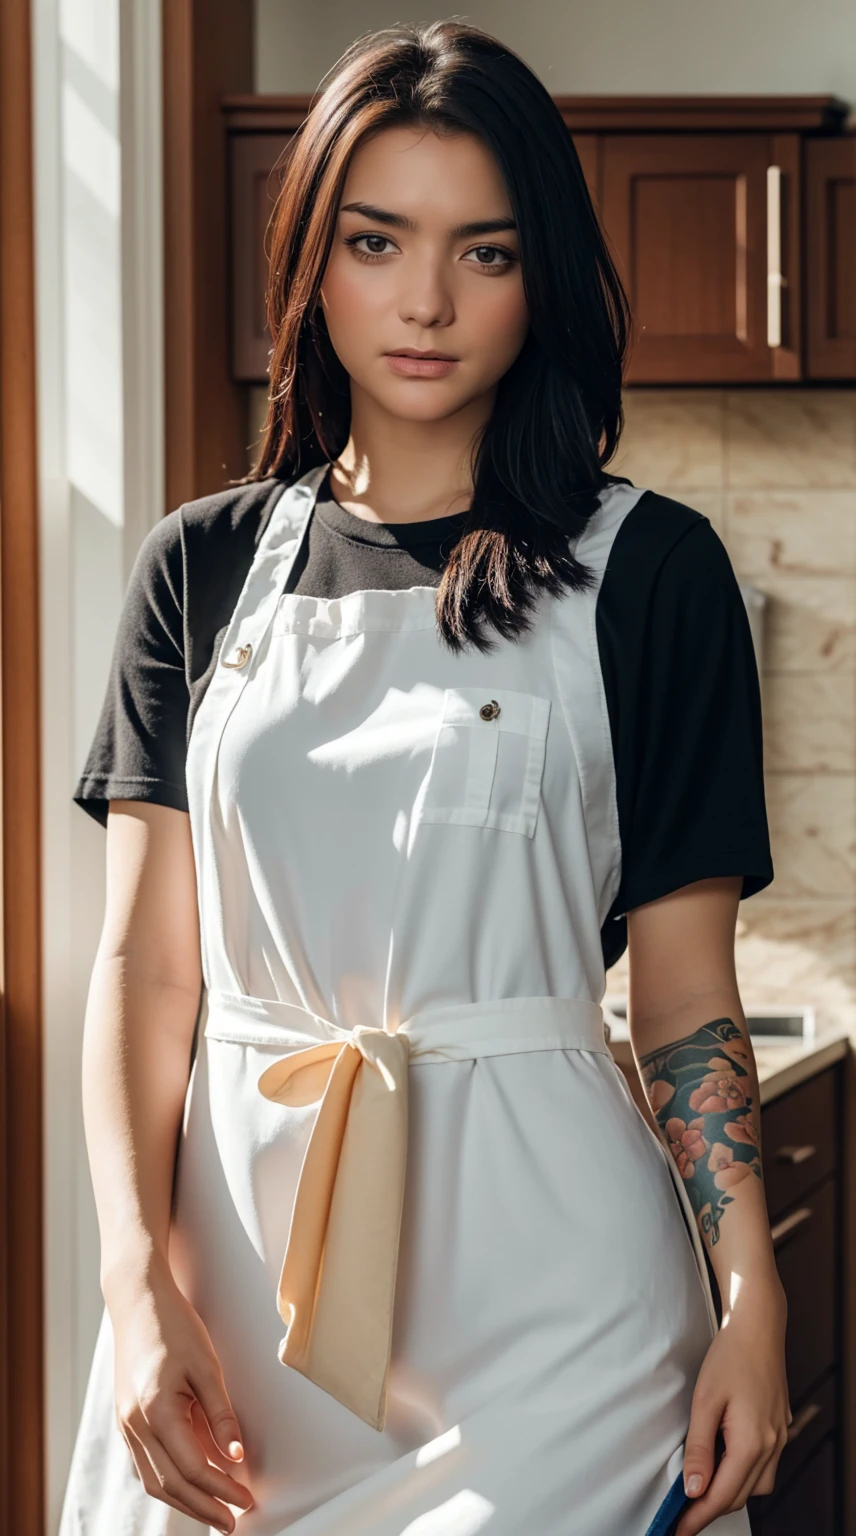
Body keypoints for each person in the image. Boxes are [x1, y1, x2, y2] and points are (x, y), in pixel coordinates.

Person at [60, 21, 790, 1536]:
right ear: (312, 263)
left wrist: (750, 1295)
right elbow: (143, 974)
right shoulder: (199, 571)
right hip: (236, 1313)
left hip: (555, 1323)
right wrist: (131, 1283)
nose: (426, 301)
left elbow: (681, 996)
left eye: (487, 251)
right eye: (377, 240)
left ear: (545, 280)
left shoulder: (653, 572)